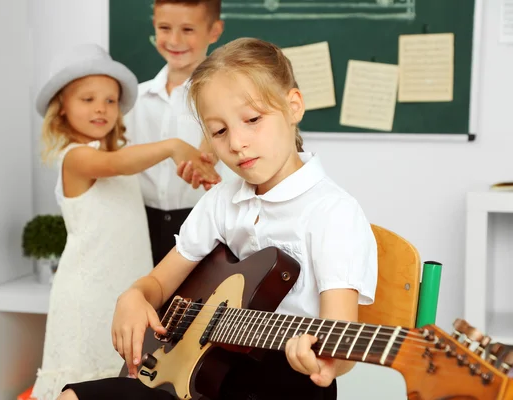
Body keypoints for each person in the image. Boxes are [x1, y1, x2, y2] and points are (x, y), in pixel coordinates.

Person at [57, 37, 378, 400]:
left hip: (284, 387)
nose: (237, 143)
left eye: (253, 120)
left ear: (293, 107)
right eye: (220, 131)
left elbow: (341, 335)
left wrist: (326, 361)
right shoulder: (221, 200)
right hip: (202, 376)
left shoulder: (333, 213)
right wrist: (133, 295)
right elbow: (159, 284)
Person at [30, 43, 218, 400]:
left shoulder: (120, 156)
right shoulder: (76, 159)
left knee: (117, 384)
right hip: (88, 293)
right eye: (87, 99)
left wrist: (198, 161)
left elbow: (134, 166)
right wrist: (173, 146)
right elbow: (118, 165)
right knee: (82, 382)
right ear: (62, 109)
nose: (101, 108)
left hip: (126, 289)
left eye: (110, 101)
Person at [124, 0, 226, 266]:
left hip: (203, 224)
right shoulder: (134, 99)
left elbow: (215, 141)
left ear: (214, 31)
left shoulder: (224, 94)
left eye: (188, 29)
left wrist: (203, 161)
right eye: (165, 28)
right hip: (139, 224)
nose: (174, 39)